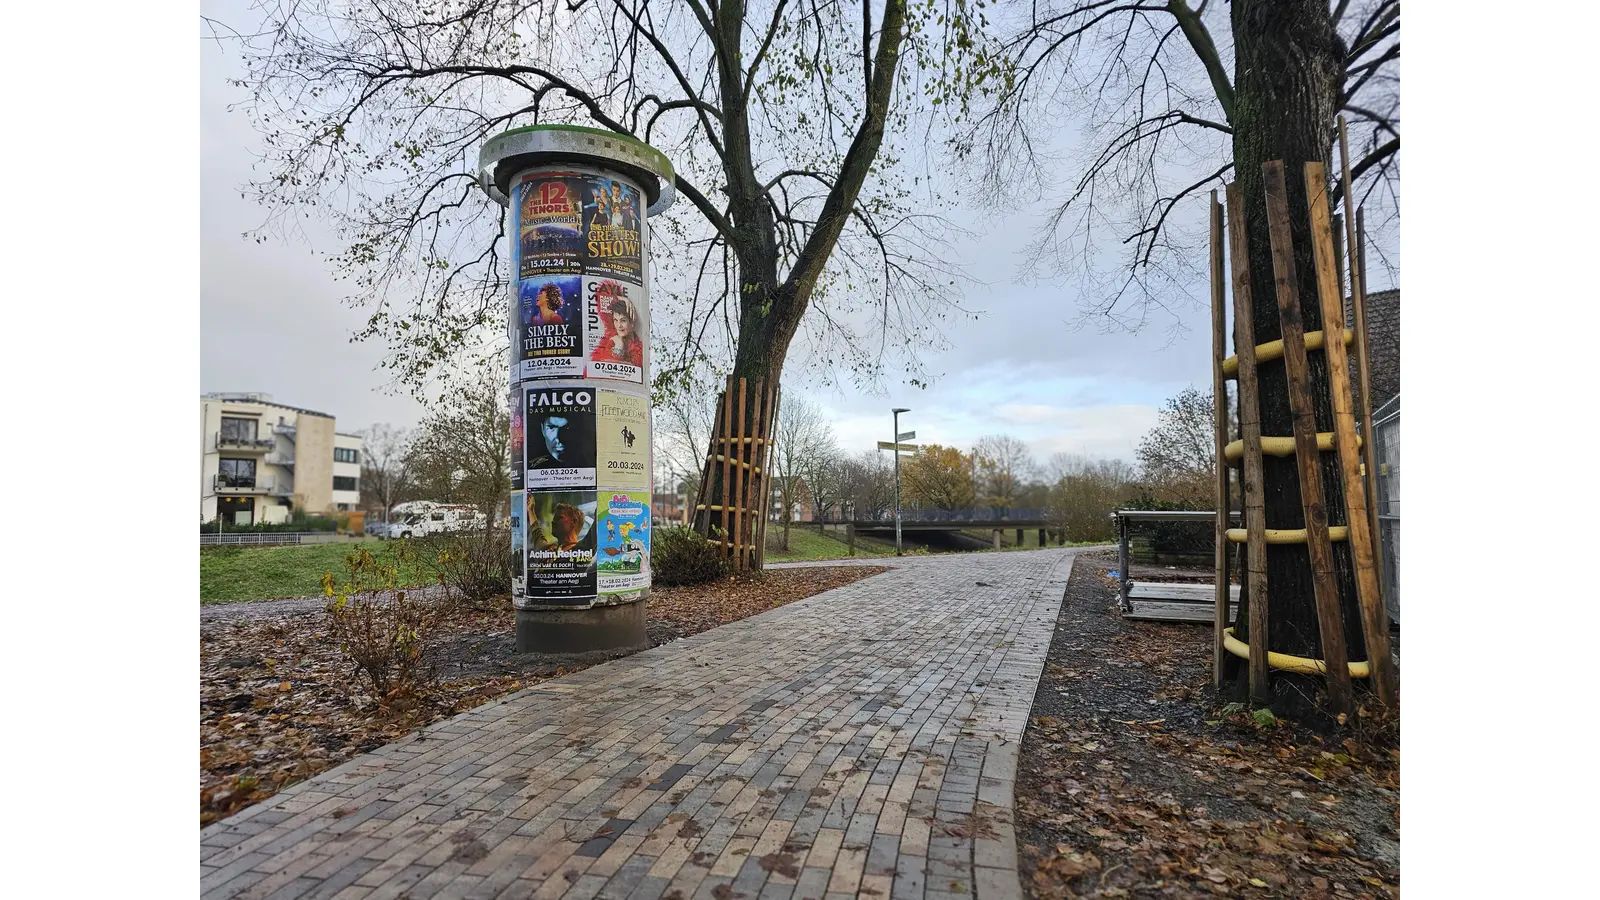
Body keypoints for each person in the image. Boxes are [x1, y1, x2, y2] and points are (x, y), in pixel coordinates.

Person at [593, 295, 643, 367]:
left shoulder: (639, 352)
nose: (619, 325)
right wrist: (622, 298)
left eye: (623, 320)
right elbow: (600, 295)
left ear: (632, 322)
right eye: (615, 320)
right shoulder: (610, 335)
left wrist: (619, 346)